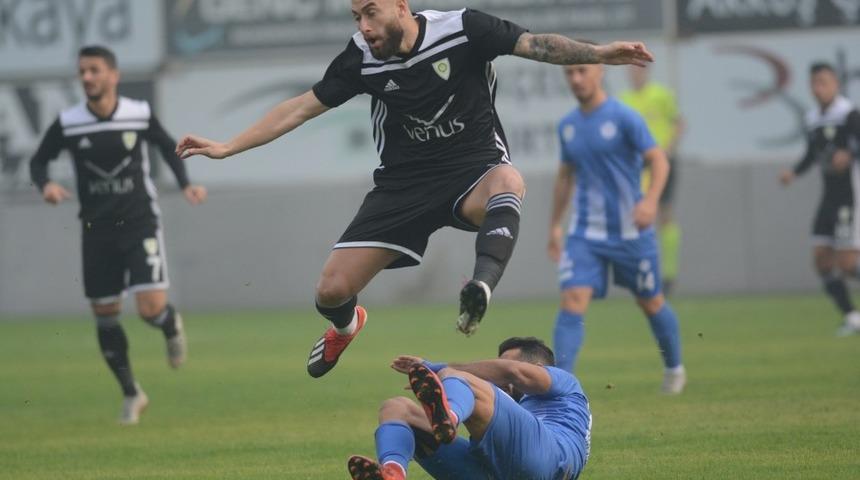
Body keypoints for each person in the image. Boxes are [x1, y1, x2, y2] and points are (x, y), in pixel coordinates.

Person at [175, 0, 656, 378]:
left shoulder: (463, 29)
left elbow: (536, 45)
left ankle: (480, 287)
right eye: (356, 15)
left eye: (371, 12)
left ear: (401, 6)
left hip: (472, 170)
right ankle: (347, 325)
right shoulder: (360, 58)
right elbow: (300, 107)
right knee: (330, 290)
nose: (363, 26)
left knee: (509, 181)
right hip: (403, 185)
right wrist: (227, 147)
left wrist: (597, 53)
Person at [29, 46, 208, 425]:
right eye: (82, 71)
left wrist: (186, 184)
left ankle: (169, 323)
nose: (88, 77)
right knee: (105, 316)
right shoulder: (70, 121)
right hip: (96, 230)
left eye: (94, 70)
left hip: (139, 221)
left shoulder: (137, 114)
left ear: (113, 75)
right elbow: (39, 159)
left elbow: (167, 146)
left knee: (148, 310)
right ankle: (132, 393)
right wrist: (44, 184)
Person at [548, 59, 686, 394]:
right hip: (585, 233)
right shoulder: (567, 125)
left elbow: (659, 160)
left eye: (582, 70)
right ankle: (561, 387)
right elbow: (565, 177)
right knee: (573, 300)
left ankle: (674, 369)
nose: (576, 78)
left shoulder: (624, 117)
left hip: (630, 232)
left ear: (600, 72)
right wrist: (554, 225)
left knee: (650, 302)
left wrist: (651, 201)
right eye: (570, 72)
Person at [346, 337, 591, 480]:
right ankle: (393, 472)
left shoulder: (564, 381)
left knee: (459, 377)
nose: (502, 375)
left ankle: (448, 418)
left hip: (549, 462)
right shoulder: (521, 415)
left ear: (539, 367)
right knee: (396, 408)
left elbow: (511, 371)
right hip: (501, 471)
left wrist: (437, 368)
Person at [780, 62, 860, 337]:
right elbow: (812, 154)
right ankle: (851, 316)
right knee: (822, 260)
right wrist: (794, 172)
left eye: (824, 82)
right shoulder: (813, 118)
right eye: (814, 83)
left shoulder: (849, 114)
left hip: (852, 195)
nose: (819, 88)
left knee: (848, 264)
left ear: (836, 84)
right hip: (829, 196)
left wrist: (850, 155)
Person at [620, 65, 684, 295]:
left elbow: (679, 123)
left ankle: (668, 275)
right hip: (637, 165)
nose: (635, 74)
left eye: (638, 70)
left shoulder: (661, 95)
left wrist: (667, 148)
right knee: (638, 217)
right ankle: (644, 273)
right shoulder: (623, 100)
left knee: (665, 214)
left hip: (662, 161)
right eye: (631, 71)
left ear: (646, 72)